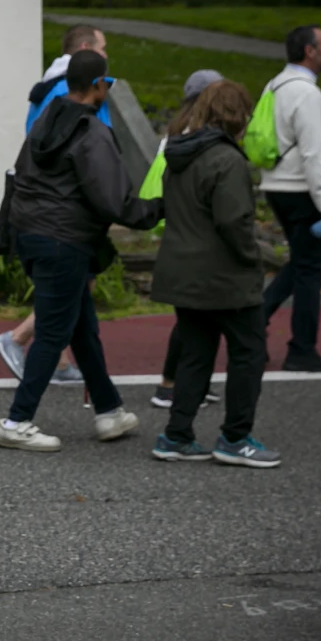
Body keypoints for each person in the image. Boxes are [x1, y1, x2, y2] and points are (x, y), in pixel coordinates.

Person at [0, 51, 162, 452]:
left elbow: (21, 175)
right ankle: (16, 421)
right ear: (99, 84)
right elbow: (114, 201)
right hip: (64, 241)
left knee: (82, 328)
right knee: (53, 333)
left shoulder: (45, 120)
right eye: (108, 83)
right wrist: (160, 207)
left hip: (31, 234)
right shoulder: (92, 133)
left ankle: (109, 411)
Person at [150, 80, 279, 468]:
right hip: (225, 276)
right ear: (239, 116)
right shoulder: (228, 160)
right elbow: (233, 221)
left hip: (182, 270)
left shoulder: (178, 153)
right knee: (249, 353)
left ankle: (177, 435)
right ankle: (235, 437)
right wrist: (252, 258)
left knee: (195, 353)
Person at [0, 24, 115, 385]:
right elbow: (88, 143)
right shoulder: (74, 92)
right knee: (75, 284)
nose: (106, 55)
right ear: (84, 48)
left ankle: (61, 364)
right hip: (66, 204)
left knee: (76, 285)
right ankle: (18, 339)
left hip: (45, 200)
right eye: (102, 48)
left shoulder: (50, 86)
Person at [260, 25, 321, 373]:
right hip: (301, 190)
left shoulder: (274, 85)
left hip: (275, 185)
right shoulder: (308, 94)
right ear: (310, 51)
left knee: (300, 261)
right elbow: (314, 154)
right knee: (310, 270)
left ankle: (256, 319)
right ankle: (302, 349)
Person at [145, 69, 225, 410]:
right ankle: (169, 385)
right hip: (195, 234)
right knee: (194, 316)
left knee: (198, 315)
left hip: (182, 230)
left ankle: (189, 382)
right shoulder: (197, 133)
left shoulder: (179, 129)